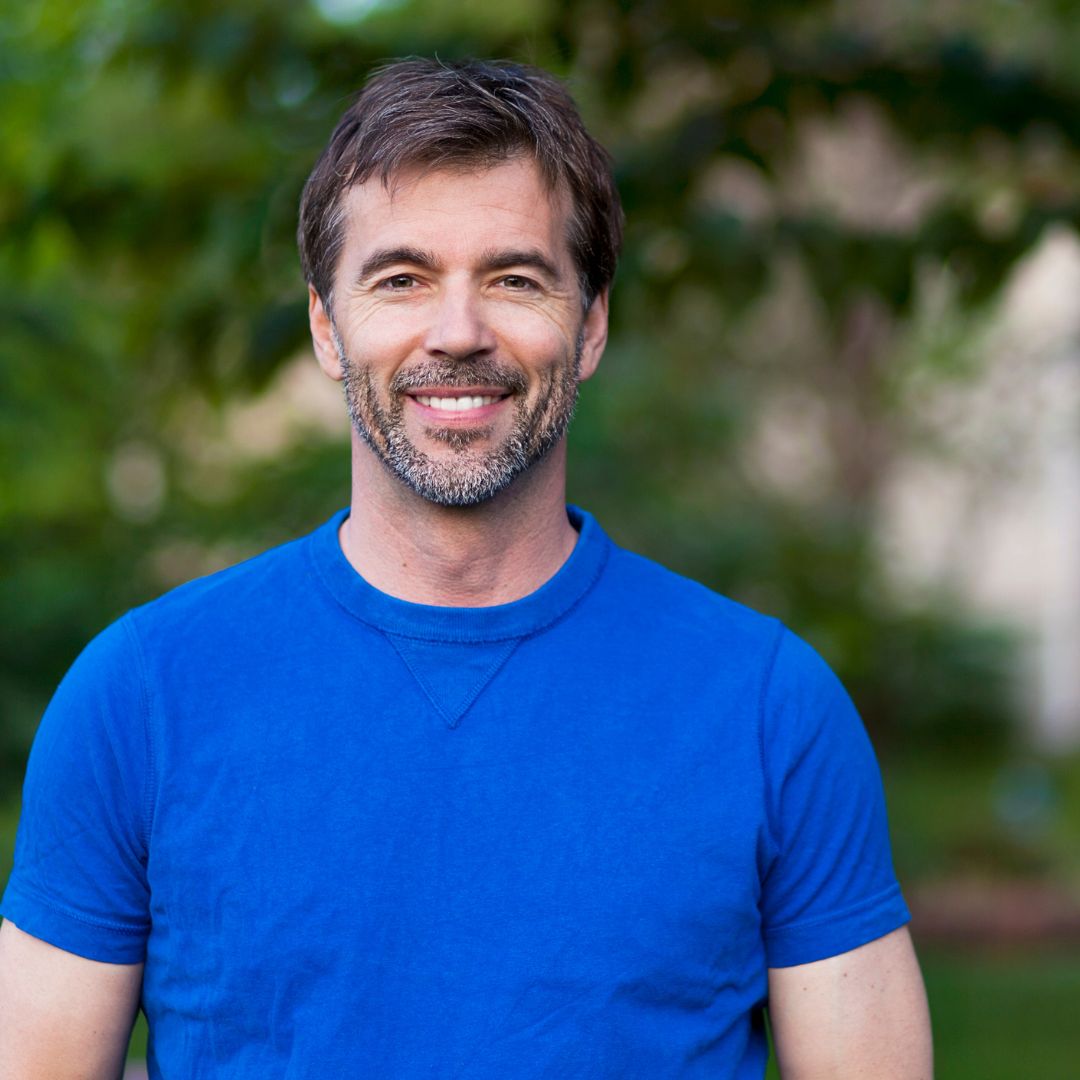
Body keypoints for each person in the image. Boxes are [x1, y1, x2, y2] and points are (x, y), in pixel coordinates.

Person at [0, 58, 932, 1078]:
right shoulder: (140, 695)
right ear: (324, 323)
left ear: (592, 324)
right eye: (400, 279)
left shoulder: (770, 708)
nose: (457, 332)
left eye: (514, 278)